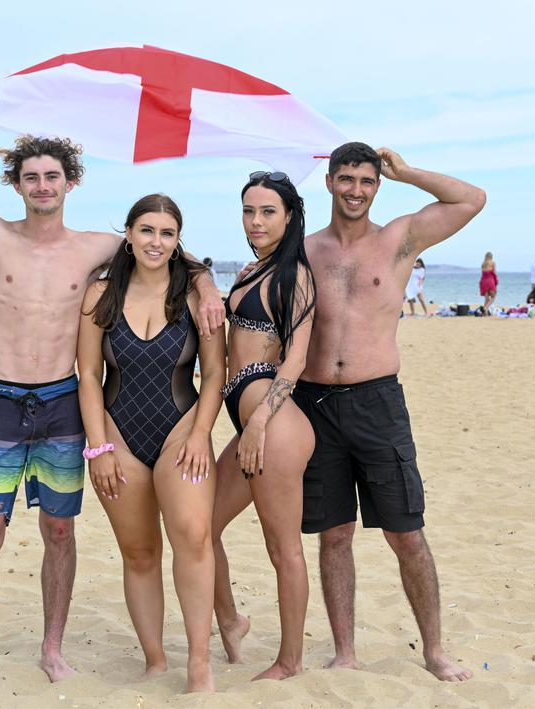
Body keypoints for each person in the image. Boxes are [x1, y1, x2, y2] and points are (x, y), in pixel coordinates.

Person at [0, 113, 223, 701]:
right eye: (32, 177)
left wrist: (209, 284)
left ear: (71, 184)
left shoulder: (96, 248)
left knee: (59, 532)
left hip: (63, 404)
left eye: (53, 176)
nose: (43, 186)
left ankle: (53, 650)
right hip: (0, 403)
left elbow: (161, 248)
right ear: (16, 183)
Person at [293, 142, 485, 681]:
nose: (356, 190)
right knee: (334, 535)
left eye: (367, 181)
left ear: (377, 186)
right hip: (314, 405)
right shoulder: (304, 249)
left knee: (406, 533)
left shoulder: (399, 239)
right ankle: (345, 651)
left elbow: (472, 199)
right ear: (329, 181)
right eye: (347, 179)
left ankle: (434, 651)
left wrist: (407, 172)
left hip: (377, 401)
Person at [77, 194, 225, 693]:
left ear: (178, 240)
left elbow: (216, 374)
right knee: (139, 552)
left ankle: (199, 664)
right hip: (118, 435)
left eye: (166, 233)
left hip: (181, 430)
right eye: (146, 230)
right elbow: (88, 377)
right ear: (129, 234)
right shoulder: (101, 295)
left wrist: (202, 434)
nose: (155, 241)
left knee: (193, 536)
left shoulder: (193, 298)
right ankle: (156, 660)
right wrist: (98, 448)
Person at [211, 171, 316, 681]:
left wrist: (257, 424)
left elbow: (294, 359)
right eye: (249, 211)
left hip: (272, 423)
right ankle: (231, 621)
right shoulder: (252, 270)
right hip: (250, 416)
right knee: (200, 527)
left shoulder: (294, 273)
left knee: (283, 549)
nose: (256, 221)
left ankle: (290, 662)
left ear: (290, 216)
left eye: (267, 211)